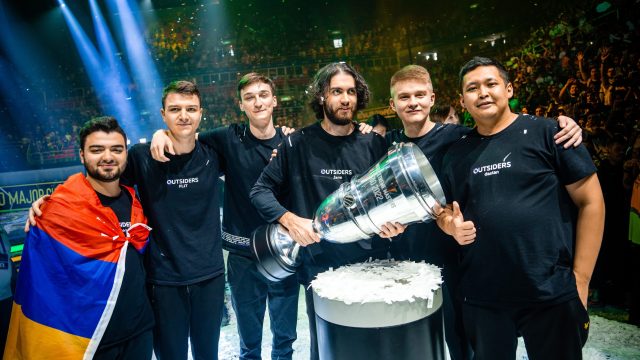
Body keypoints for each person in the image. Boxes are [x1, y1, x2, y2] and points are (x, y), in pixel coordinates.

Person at [385, 64, 583, 360]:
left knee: (462, 345)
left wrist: (564, 123)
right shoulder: (383, 143)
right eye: (404, 97)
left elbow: (501, 130)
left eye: (419, 95)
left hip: (458, 263)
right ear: (392, 104)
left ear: (432, 98)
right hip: (420, 262)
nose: (412, 102)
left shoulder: (458, 138)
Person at [437, 57, 604, 360]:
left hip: (550, 290)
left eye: (491, 84)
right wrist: (449, 223)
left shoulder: (551, 133)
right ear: (462, 100)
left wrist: (581, 278)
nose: (483, 93)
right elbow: (443, 209)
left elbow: (591, 202)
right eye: (472, 88)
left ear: (509, 89)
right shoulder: (456, 153)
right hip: (483, 294)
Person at [250, 62, 405, 360]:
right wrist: (290, 220)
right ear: (322, 96)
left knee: (371, 346)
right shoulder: (296, 144)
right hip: (320, 269)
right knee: (327, 348)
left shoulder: (373, 142)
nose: (345, 99)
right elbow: (259, 191)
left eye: (350, 92)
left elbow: (392, 196)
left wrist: (395, 224)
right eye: (336, 91)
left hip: (370, 263)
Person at [149, 73, 299, 360]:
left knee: (285, 337)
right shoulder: (227, 137)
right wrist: (160, 133)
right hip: (243, 255)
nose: (258, 102)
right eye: (250, 98)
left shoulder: (293, 142)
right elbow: (185, 135)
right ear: (241, 105)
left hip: (284, 251)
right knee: (249, 340)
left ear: (274, 100)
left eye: (263, 95)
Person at [6, 117, 153, 359]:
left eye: (116, 149)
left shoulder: (136, 200)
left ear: (126, 154)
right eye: (97, 150)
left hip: (139, 330)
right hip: (88, 338)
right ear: (82, 155)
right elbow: (41, 282)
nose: (108, 157)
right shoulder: (58, 210)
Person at [124, 80, 225, 360]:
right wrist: (51, 201)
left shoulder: (213, 153)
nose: (184, 115)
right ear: (163, 114)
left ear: (201, 113)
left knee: (208, 354)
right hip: (164, 280)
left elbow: (257, 145)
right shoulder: (141, 157)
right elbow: (102, 185)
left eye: (191, 109)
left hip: (210, 277)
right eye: (175, 109)